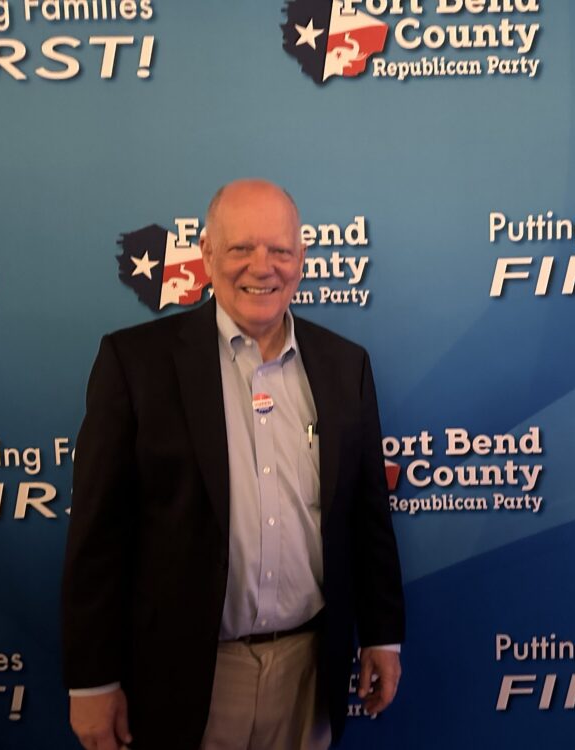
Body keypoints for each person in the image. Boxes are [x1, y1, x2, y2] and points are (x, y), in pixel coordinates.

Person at [61, 179, 405, 750]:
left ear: (301, 259)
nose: (261, 267)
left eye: (280, 250)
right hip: (184, 677)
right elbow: (97, 536)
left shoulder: (346, 366)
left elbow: (368, 515)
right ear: (207, 254)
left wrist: (383, 636)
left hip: (310, 670)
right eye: (241, 248)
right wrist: (92, 680)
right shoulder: (136, 364)